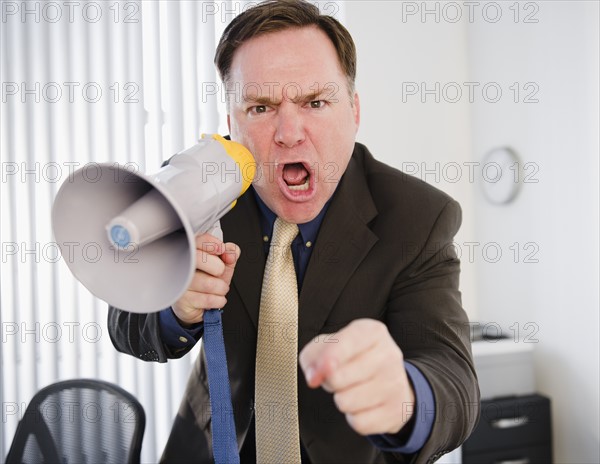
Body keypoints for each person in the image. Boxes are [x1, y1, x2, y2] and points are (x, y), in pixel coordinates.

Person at [108, 1, 480, 462]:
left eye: (315, 102)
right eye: (260, 107)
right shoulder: (194, 186)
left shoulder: (418, 217)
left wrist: (406, 396)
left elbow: (456, 383)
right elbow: (124, 324)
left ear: (354, 110)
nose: (289, 133)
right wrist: (174, 306)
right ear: (232, 125)